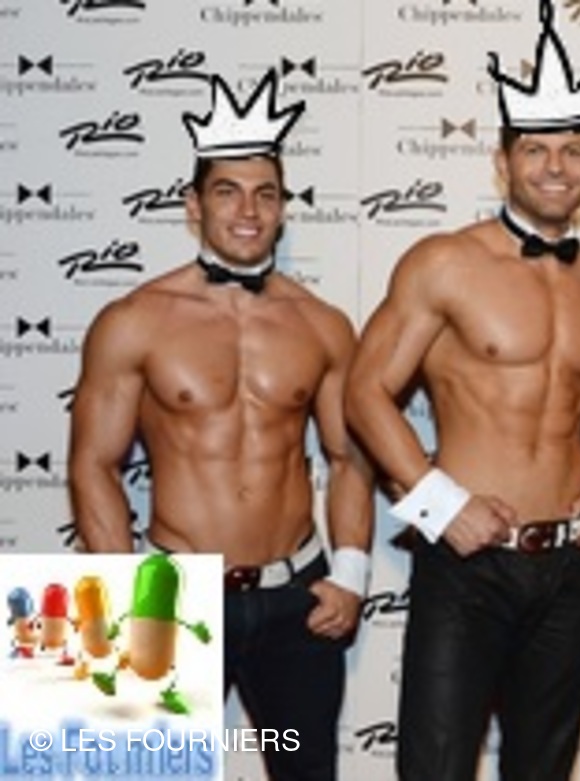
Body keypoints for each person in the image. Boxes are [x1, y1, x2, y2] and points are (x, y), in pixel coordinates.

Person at [342, 3, 580, 779]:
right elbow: (365, 392)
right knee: (437, 766)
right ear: (503, 160)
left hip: (570, 568)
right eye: (536, 148)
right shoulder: (444, 263)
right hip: (467, 563)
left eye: (573, 149)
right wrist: (438, 504)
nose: (556, 166)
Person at [68, 70, 373, 781]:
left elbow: (349, 457)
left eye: (266, 194)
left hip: (297, 597)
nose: (248, 210)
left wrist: (351, 573)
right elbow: (92, 464)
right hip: (175, 595)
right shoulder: (134, 320)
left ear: (283, 209)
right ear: (193, 204)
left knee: (304, 770)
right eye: (228, 191)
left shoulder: (323, 325)